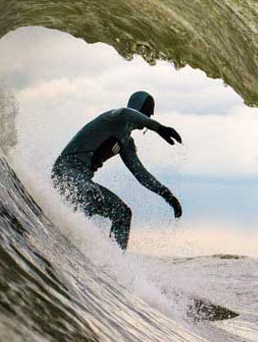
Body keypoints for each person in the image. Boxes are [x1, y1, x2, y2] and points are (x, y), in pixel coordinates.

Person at [51, 91, 182, 250]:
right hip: (65, 170)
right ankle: (69, 242)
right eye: (147, 113)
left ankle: (112, 260)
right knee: (91, 194)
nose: (148, 118)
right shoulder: (114, 118)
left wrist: (168, 196)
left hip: (84, 180)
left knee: (123, 213)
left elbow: (141, 174)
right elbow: (126, 112)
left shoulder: (126, 142)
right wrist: (159, 128)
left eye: (150, 115)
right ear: (138, 109)